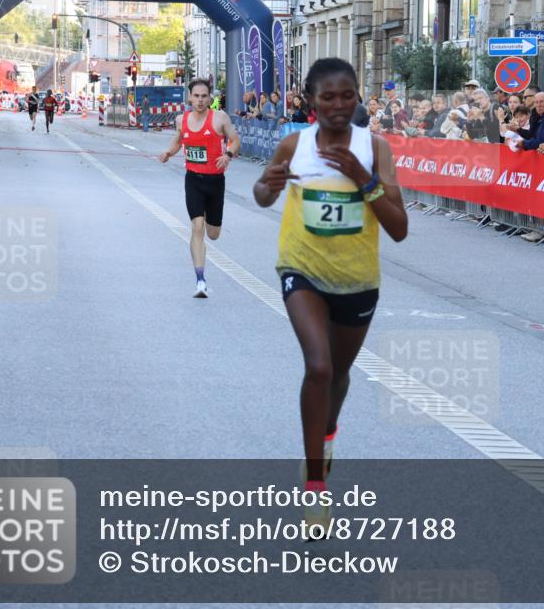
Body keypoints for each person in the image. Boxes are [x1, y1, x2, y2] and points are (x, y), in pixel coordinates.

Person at [252, 57, 408, 533]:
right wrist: (267, 183)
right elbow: (262, 194)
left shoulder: (374, 148)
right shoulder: (294, 144)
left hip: (357, 278)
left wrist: (365, 180)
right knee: (318, 367)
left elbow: (399, 228)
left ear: (358, 97)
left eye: (347, 96)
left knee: (338, 375)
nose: (339, 105)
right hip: (301, 268)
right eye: (328, 97)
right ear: (311, 101)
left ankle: (329, 432)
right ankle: (315, 484)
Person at [158, 78, 242, 298]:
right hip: (193, 180)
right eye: (196, 96)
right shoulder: (181, 120)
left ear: (210, 98)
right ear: (189, 97)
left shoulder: (219, 118)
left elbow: (235, 140)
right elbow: (179, 140)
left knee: (213, 234)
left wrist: (228, 155)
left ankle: (209, 223)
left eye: (204, 96)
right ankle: (200, 281)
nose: (200, 100)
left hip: (215, 182)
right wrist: (168, 153)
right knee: (197, 227)